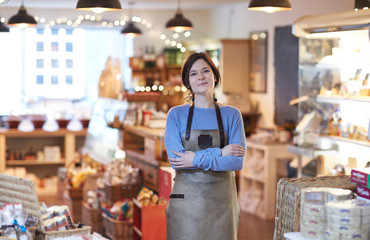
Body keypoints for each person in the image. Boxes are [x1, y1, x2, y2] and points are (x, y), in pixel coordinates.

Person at [164, 52, 246, 240]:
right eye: (193, 74)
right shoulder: (175, 115)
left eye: (205, 71)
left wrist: (194, 158)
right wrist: (220, 152)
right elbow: (177, 160)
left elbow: (236, 162)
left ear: (215, 76)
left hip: (223, 206)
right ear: (188, 82)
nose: (200, 77)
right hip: (185, 205)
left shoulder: (232, 115)